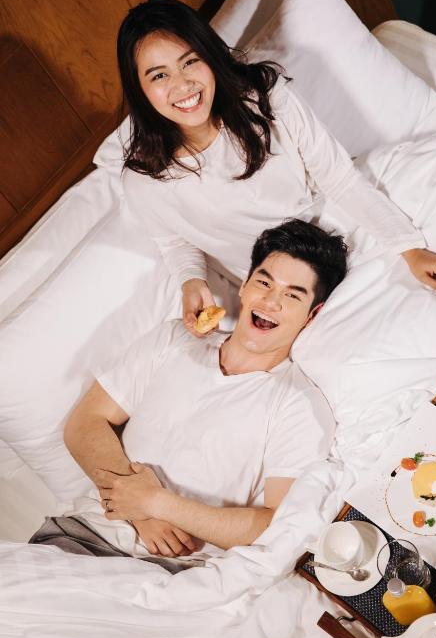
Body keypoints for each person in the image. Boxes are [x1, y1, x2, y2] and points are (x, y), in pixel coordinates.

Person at [96, 0, 436, 341]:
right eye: (159, 76)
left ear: (209, 56)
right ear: (140, 89)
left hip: (339, 231)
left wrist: (409, 248)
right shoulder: (145, 182)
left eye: (190, 61)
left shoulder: (266, 100)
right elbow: (175, 240)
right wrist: (191, 280)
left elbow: (338, 178)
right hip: (280, 290)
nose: (182, 85)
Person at [30, 219, 348, 567]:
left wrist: (156, 503)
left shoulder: (299, 404)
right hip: (82, 534)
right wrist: (139, 512)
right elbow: (85, 421)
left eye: (292, 295)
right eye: (264, 282)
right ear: (244, 286)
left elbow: (275, 527)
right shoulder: (172, 340)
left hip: (173, 570)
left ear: (312, 315)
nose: (271, 301)